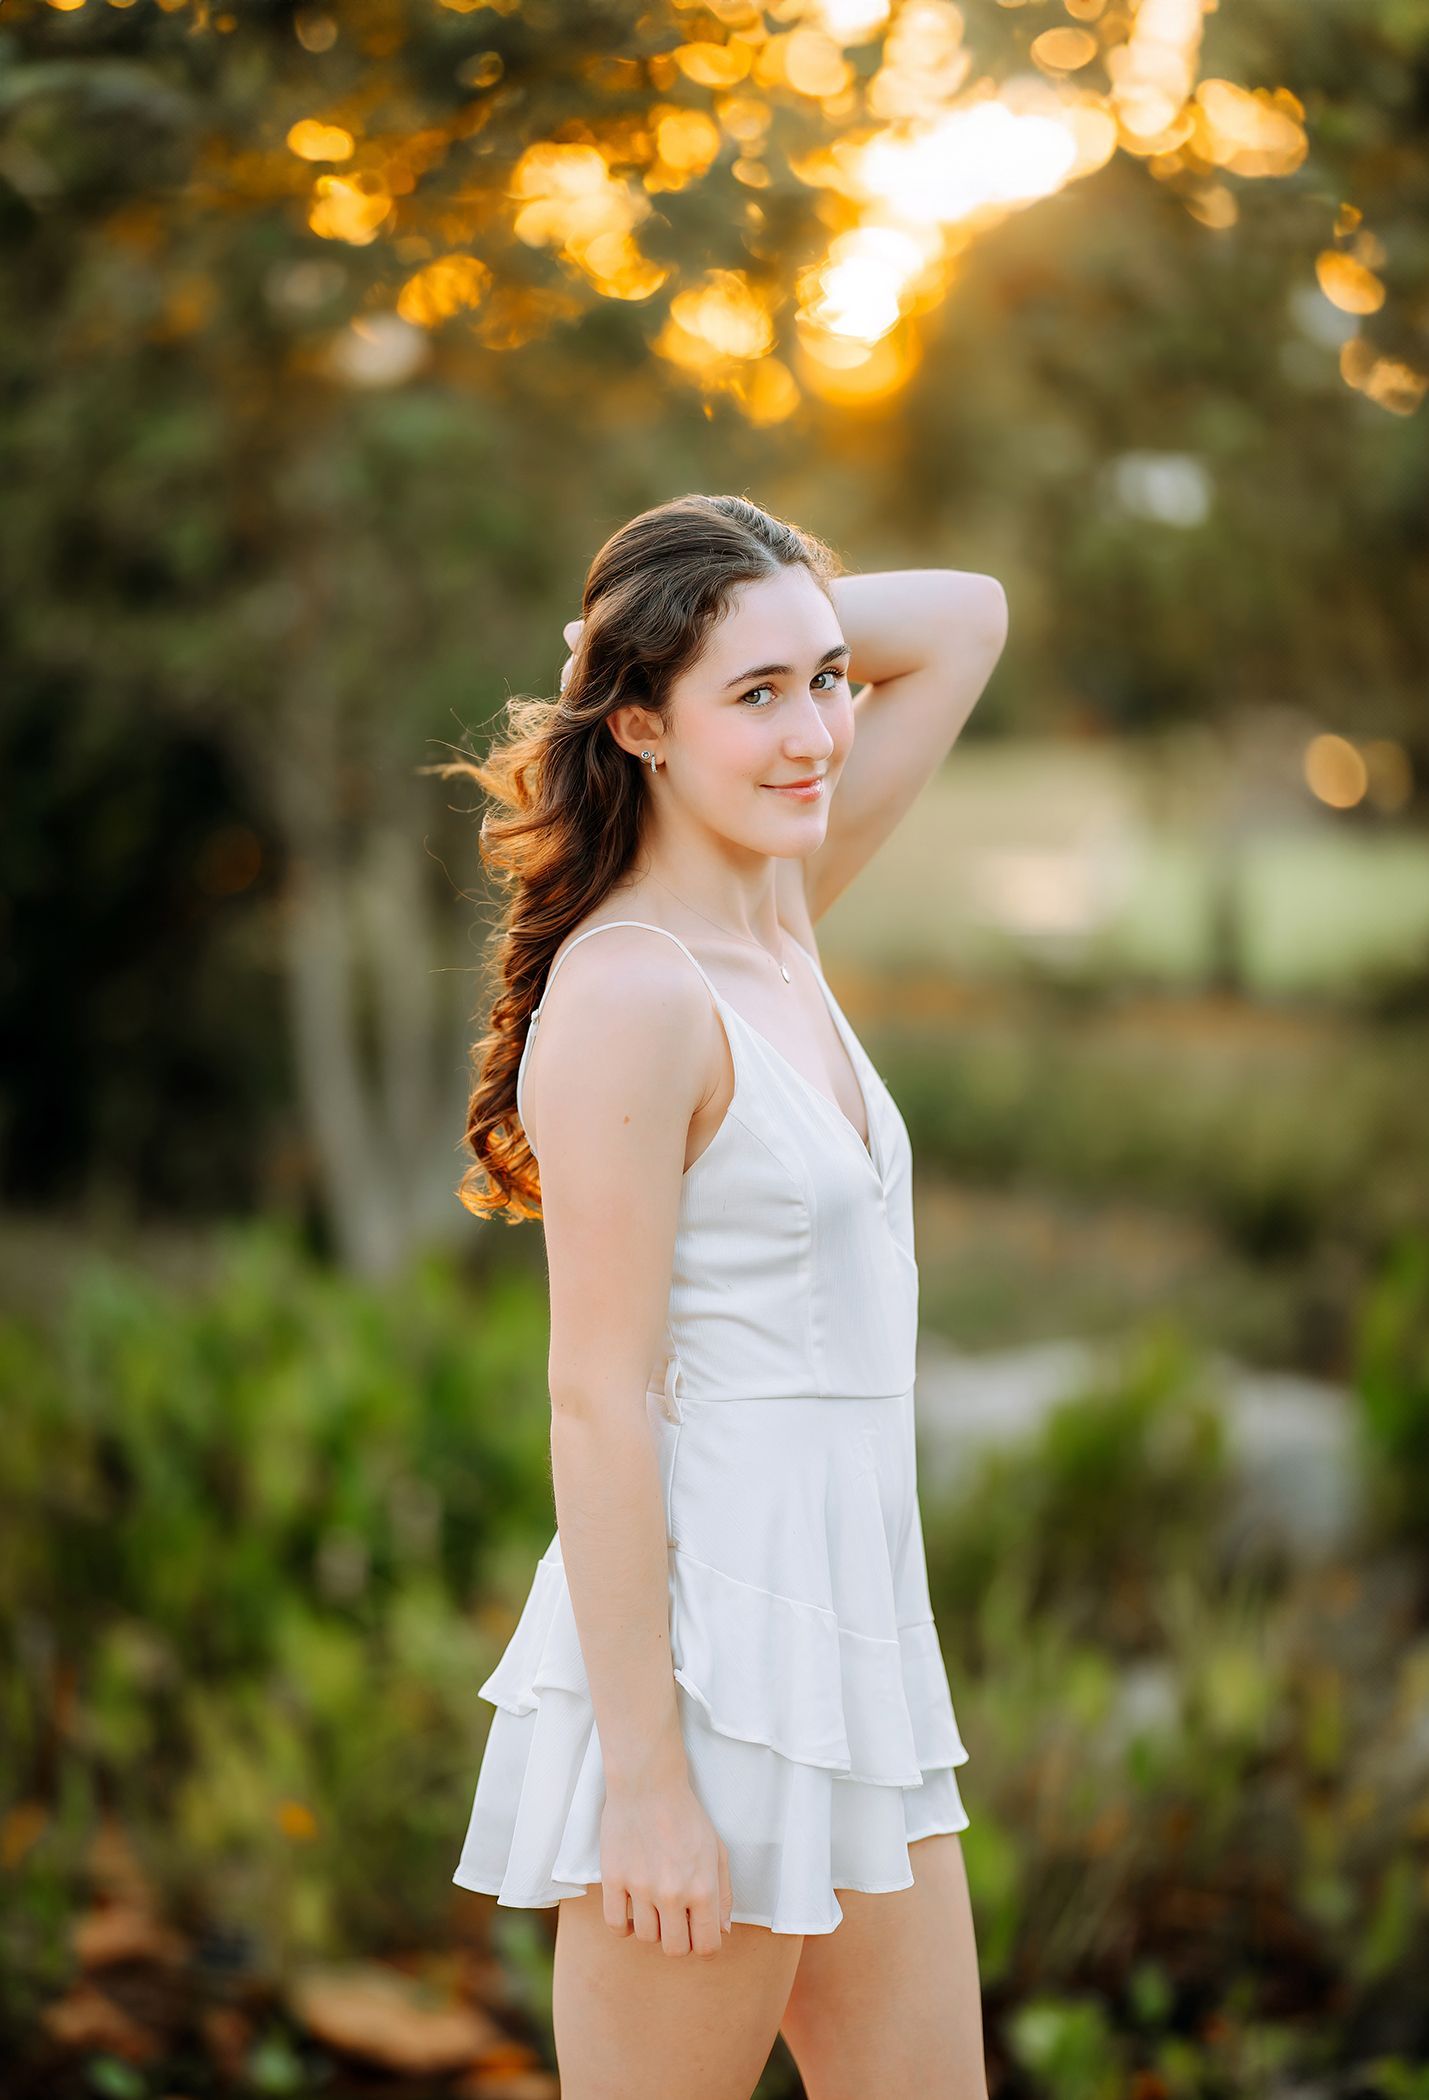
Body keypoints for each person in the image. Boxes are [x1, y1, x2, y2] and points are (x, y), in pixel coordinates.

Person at [445, 493, 1008, 2100]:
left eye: (827, 680)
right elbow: (594, 1396)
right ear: (637, 724)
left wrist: (726, 619)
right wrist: (647, 1788)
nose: (816, 731)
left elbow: (965, 613)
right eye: (752, 697)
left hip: (858, 1658)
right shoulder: (635, 990)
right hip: (709, 1669)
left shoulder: (778, 918)